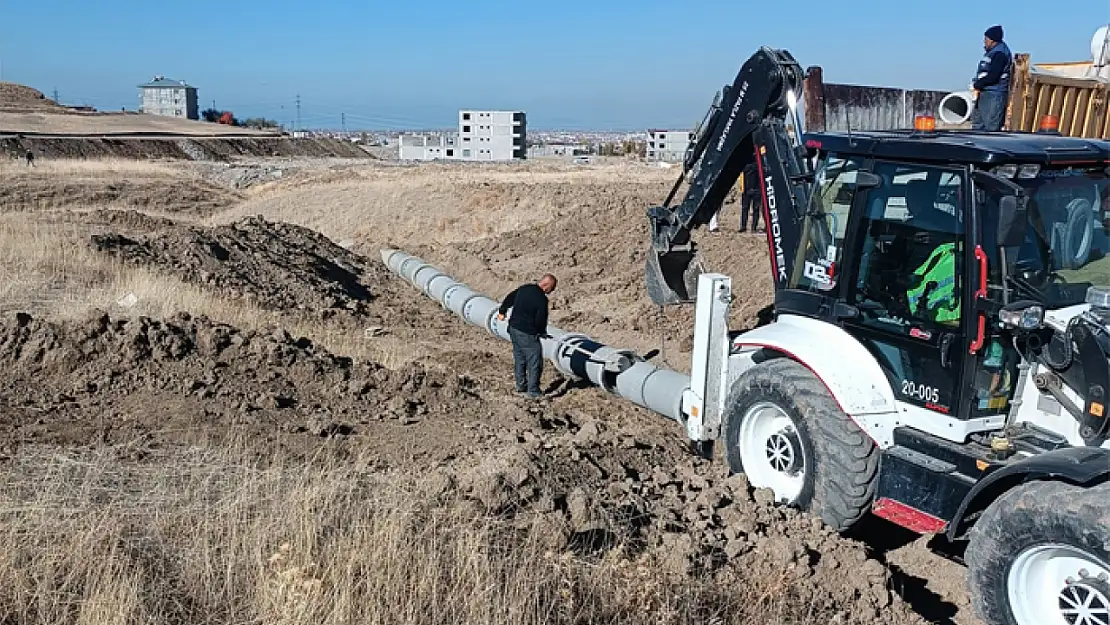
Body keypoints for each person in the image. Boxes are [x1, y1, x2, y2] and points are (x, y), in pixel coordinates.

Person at [497, 274, 557, 398]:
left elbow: (510, 298)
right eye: (552, 288)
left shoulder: (525, 288)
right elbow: (541, 318)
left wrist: (502, 311)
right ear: (546, 286)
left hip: (513, 329)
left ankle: (521, 386)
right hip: (526, 333)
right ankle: (533, 391)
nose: (552, 291)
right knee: (534, 359)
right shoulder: (541, 299)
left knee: (520, 358)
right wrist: (541, 332)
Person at [971, 25, 1013, 132]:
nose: (984, 41)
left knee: (990, 127)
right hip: (985, 93)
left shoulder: (1000, 54)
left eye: (986, 39)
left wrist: (978, 84)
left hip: (994, 94)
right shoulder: (991, 52)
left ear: (992, 40)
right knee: (978, 125)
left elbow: (994, 76)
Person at [739, 163, 761, 232]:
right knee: (747, 208)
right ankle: (745, 227)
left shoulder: (758, 163)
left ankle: (751, 227)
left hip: (755, 189)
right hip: (748, 189)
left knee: (753, 209)